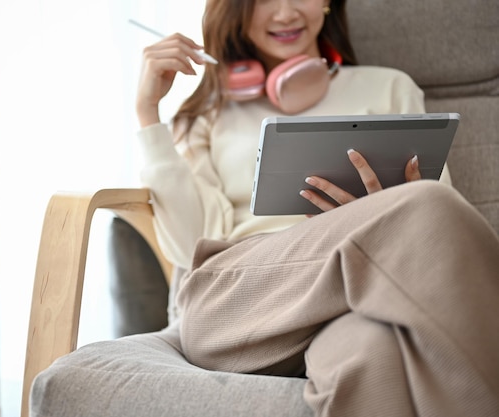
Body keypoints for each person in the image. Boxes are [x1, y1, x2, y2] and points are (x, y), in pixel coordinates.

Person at [134, 0, 499, 416]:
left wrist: (375, 213)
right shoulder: (210, 111)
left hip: (358, 302)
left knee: (371, 358)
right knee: (426, 205)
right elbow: (187, 244)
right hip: (237, 304)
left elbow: (440, 240)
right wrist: (148, 113)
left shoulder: (389, 86)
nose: (286, 12)